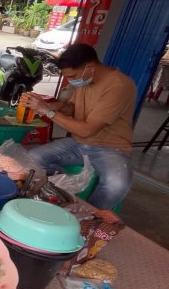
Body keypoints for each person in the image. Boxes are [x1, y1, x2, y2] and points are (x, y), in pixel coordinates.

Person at [21, 44, 136, 210]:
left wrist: (47, 111)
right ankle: (66, 191)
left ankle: (87, 215)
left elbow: (86, 129)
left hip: (110, 148)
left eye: (73, 75)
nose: (70, 80)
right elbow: (72, 108)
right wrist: (46, 104)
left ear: (89, 67)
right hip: (77, 144)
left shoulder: (119, 86)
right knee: (32, 158)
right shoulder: (85, 80)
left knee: (116, 185)